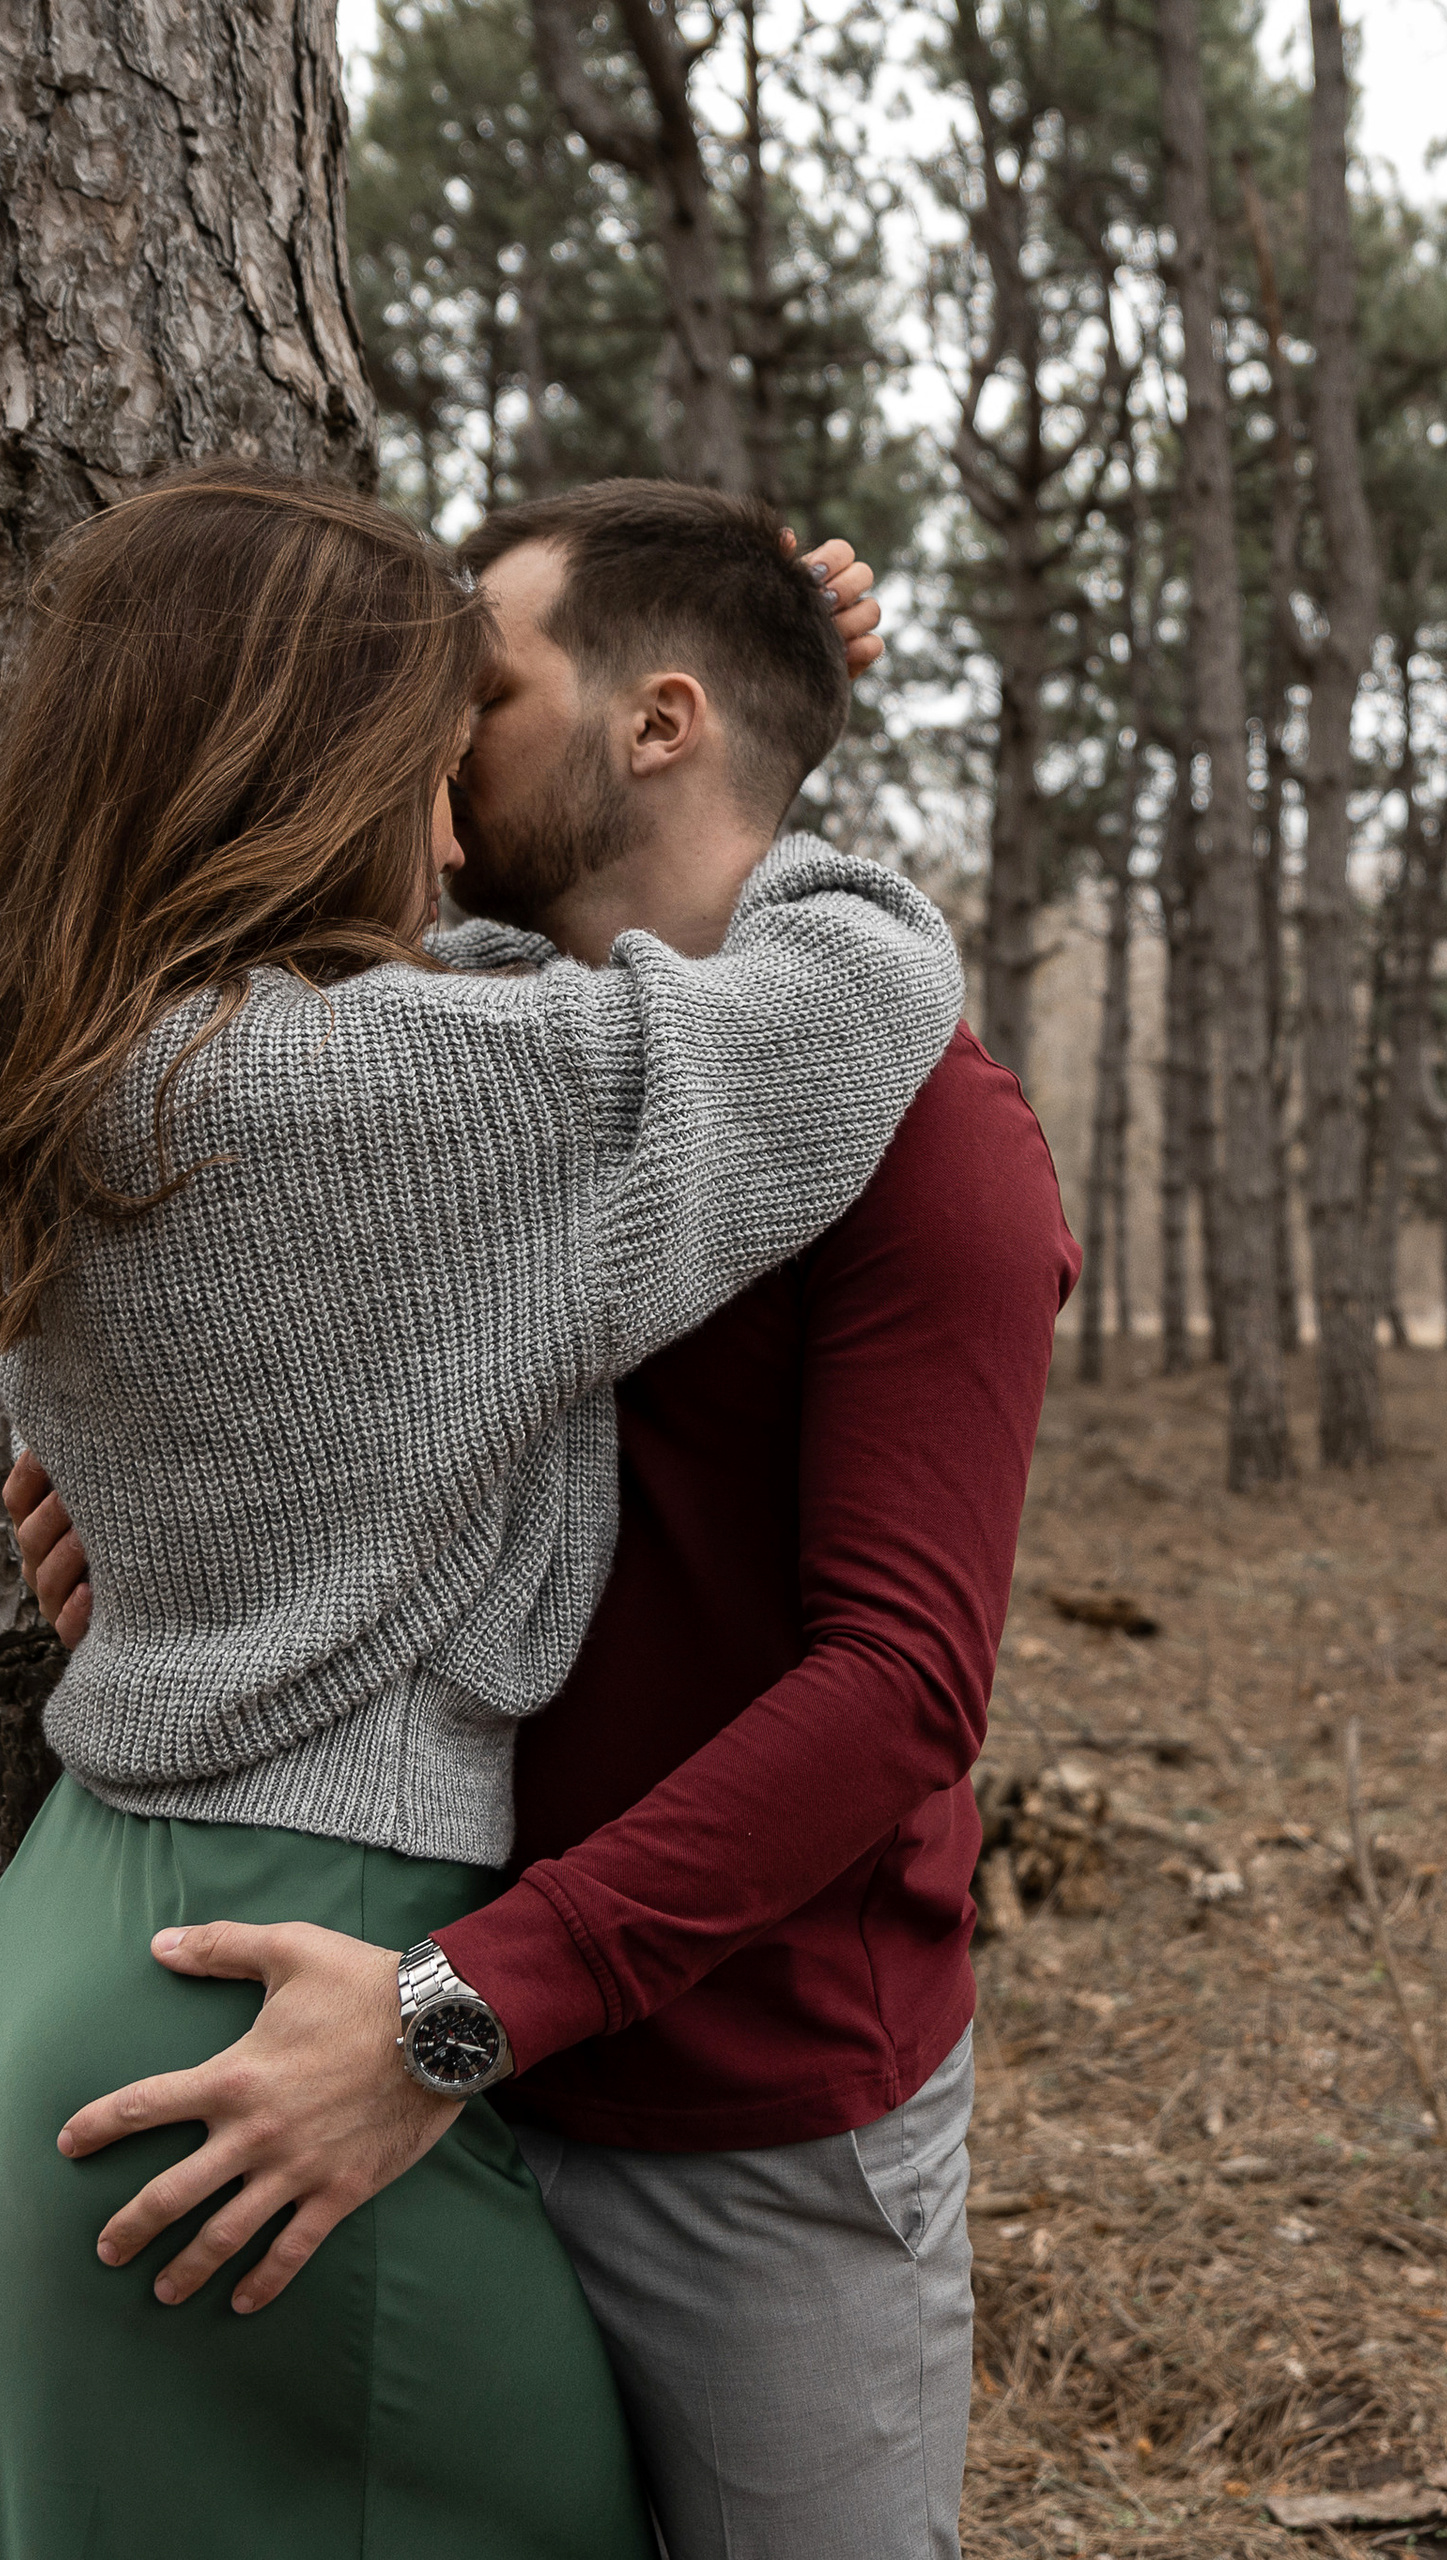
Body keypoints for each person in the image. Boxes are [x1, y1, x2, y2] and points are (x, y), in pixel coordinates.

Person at [7, 480, 1079, 2560]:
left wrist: (464, 1997)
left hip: (723, 2098)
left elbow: (897, 1690)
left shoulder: (926, 1147)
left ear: (657, 722)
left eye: (477, 682)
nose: (440, 730)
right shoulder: (463, 1074)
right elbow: (808, 961)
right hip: (378, 2009)